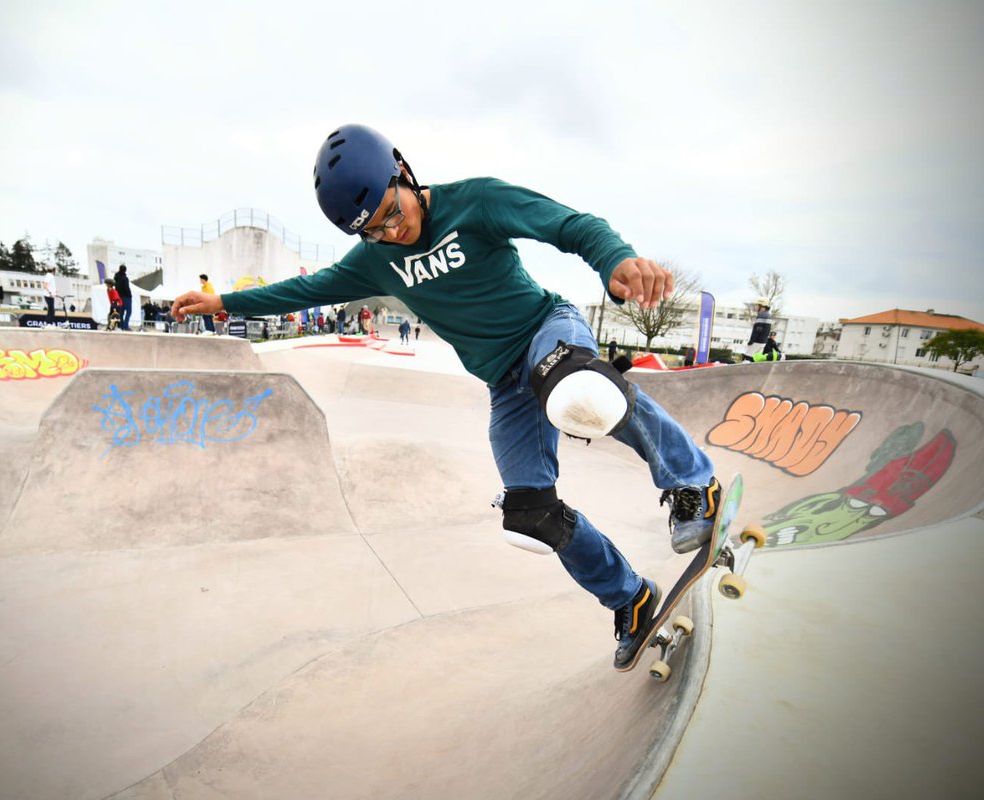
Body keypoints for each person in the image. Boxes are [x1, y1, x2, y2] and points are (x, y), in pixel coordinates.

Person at [171, 123, 720, 670]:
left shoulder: (475, 201)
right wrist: (223, 302)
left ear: (403, 172)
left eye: (393, 212)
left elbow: (570, 225)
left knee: (577, 388)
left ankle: (693, 481)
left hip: (546, 330)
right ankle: (631, 597)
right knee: (529, 515)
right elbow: (301, 290)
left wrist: (614, 260)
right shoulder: (373, 258)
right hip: (504, 383)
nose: (391, 232)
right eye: (373, 231)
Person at [113, 264, 132, 331]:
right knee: (129, 311)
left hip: (119, 297)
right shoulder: (125, 278)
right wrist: (129, 294)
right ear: (125, 270)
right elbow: (126, 288)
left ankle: (121, 326)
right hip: (126, 297)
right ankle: (125, 326)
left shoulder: (116, 278)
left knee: (121, 312)